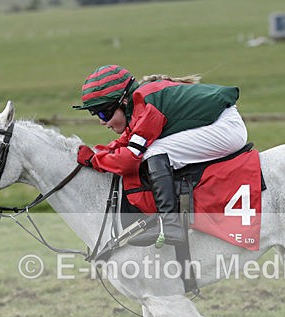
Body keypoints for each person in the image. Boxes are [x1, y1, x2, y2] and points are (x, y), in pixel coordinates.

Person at [73, 64, 248, 246]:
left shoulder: (146, 107)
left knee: (154, 151)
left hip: (226, 129)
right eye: (96, 114)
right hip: (221, 122)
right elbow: (126, 140)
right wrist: (100, 153)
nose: (102, 121)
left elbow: (128, 161)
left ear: (123, 102)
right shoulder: (138, 103)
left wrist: (95, 160)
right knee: (153, 149)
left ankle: (172, 225)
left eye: (104, 112)